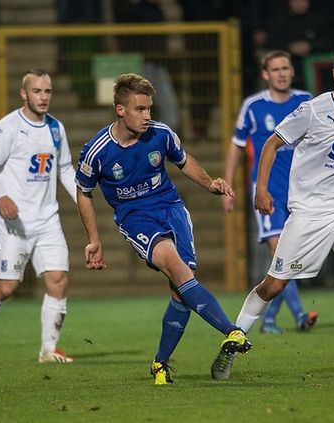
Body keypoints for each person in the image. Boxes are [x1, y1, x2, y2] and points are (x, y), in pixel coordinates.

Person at [211, 44, 334, 380]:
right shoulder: (314, 109)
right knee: (274, 285)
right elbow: (271, 143)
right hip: (310, 212)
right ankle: (233, 339)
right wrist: (260, 189)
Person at [75, 73, 251, 385]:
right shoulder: (97, 150)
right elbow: (83, 192)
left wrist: (210, 183)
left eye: (149, 109)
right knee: (178, 269)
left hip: (172, 210)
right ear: (120, 110)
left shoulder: (161, 134)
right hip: (136, 218)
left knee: (180, 291)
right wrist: (94, 239)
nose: (147, 116)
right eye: (140, 109)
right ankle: (231, 331)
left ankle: (159, 364)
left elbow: (183, 161)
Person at [0, 69, 76, 366]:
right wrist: (1, 197)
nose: (43, 97)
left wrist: (82, 199)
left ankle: (48, 351)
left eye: (47, 91)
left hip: (48, 219)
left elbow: (64, 169)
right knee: (6, 288)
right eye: (37, 91)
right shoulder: (8, 127)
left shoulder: (55, 128)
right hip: (12, 226)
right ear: (24, 93)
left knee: (58, 280)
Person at [223, 50, 317, 335]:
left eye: (286, 68)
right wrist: (228, 186)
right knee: (279, 251)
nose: (281, 73)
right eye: (275, 69)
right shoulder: (253, 106)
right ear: (266, 74)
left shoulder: (306, 102)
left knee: (290, 258)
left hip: (302, 191)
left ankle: (269, 319)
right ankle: (300, 315)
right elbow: (237, 145)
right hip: (267, 191)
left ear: (292, 71)